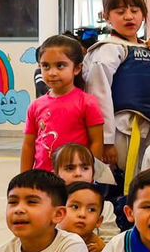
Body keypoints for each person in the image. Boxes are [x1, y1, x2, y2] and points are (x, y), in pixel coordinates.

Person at [82, 0, 150, 188]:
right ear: (106, 16)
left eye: (135, 10)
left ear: (144, 14)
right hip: (122, 129)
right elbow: (98, 95)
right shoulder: (107, 50)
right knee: (121, 183)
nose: (129, 16)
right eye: (120, 11)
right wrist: (106, 141)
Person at [21, 35, 106, 174]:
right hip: (43, 178)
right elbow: (28, 145)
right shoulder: (35, 106)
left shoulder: (87, 102)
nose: (52, 73)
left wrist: (90, 174)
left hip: (75, 177)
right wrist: (24, 177)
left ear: (77, 69)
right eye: (46, 66)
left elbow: (96, 142)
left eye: (60, 66)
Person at [60, 181, 108, 252]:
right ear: (59, 213)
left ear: (98, 221)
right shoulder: (45, 240)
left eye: (91, 209)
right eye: (75, 207)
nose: (82, 214)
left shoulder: (99, 250)